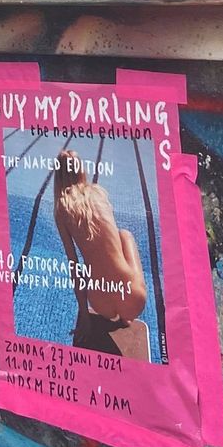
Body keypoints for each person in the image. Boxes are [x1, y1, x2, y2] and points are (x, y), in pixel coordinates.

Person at [52, 148, 150, 360]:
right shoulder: (98, 192)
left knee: (90, 262)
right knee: (124, 235)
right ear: (81, 171)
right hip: (134, 299)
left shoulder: (61, 209)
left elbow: (73, 266)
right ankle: (125, 318)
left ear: (58, 176)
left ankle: (117, 311)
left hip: (101, 303)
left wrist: (86, 316)